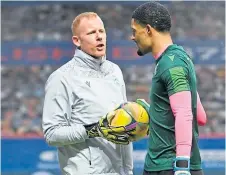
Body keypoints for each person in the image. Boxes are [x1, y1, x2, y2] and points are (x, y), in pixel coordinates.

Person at [42, 12, 133, 175]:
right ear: (77, 40)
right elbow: (52, 133)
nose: (99, 37)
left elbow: (123, 126)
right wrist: (93, 130)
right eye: (91, 33)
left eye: (102, 31)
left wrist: (128, 170)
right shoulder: (62, 78)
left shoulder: (115, 71)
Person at [129, 2, 207, 175]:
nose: (132, 37)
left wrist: (181, 166)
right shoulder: (182, 58)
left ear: (148, 30)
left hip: (167, 167)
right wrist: (155, 115)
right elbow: (200, 117)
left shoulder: (170, 64)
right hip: (182, 166)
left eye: (135, 31)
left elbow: (184, 113)